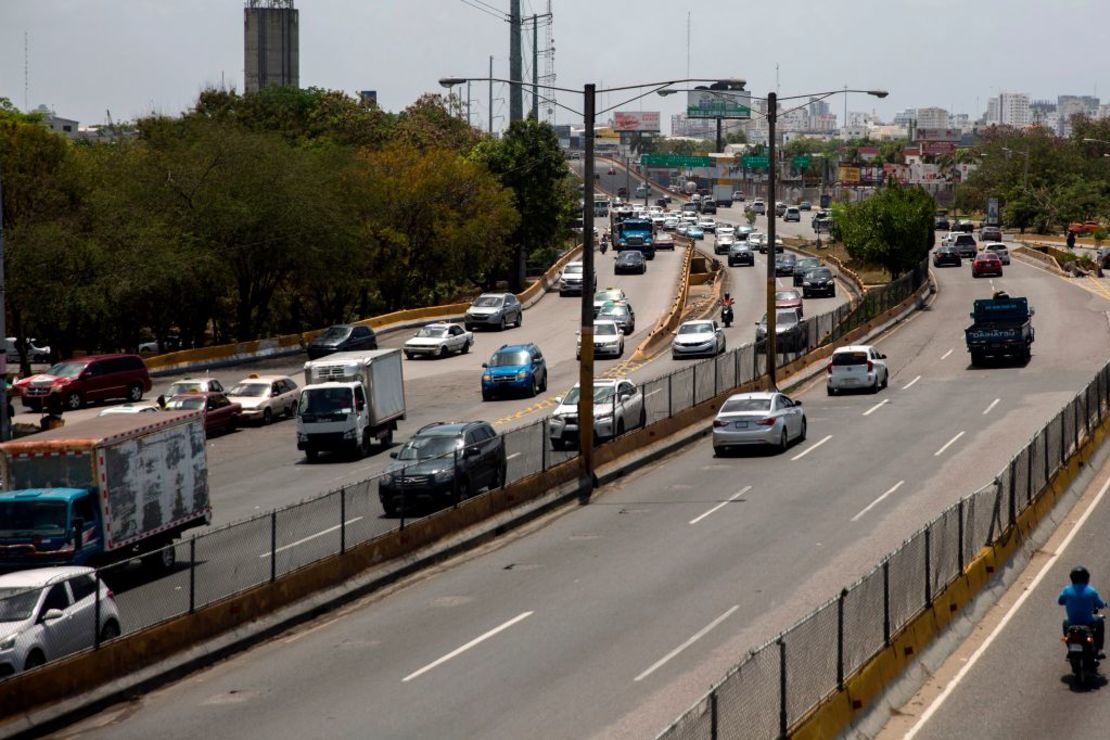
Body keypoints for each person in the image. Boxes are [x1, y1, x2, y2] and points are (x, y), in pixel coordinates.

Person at [1059, 565, 1106, 657]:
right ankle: (1100, 649)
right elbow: (1100, 604)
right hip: (1088, 621)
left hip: (1071, 622)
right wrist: (1103, 604)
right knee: (1100, 621)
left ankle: (1069, 648)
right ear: (1086, 578)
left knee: (1065, 623)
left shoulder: (1067, 590)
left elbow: (1060, 601)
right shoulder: (1091, 591)